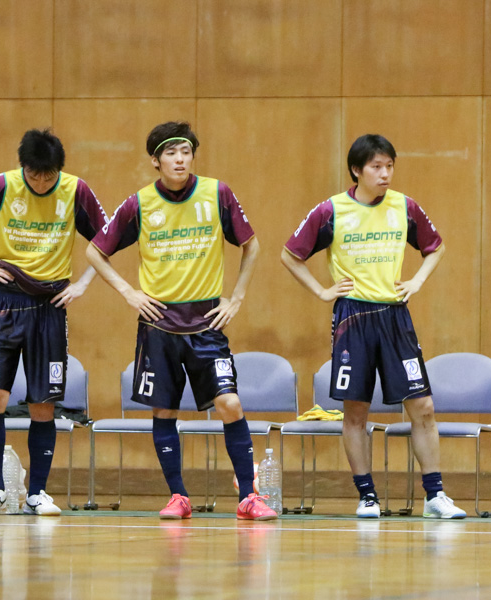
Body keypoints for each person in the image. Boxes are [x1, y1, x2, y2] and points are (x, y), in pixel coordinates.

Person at [86, 121, 274, 521]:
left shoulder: (217, 193)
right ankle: (178, 496)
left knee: (230, 403)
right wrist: (129, 293)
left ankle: (248, 496)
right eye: (170, 153)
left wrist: (236, 297)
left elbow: (252, 245)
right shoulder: (139, 203)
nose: (180, 159)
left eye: (186, 152)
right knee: (164, 412)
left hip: (207, 325)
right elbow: (94, 252)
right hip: (159, 325)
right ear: (155, 161)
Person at [280, 133, 466, 519]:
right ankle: (367, 496)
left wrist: (417, 281)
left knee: (423, 406)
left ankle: (435, 496)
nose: (385, 174)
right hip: (353, 318)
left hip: (395, 317)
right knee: (356, 411)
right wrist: (322, 291)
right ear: (356, 170)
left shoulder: (405, 207)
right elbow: (290, 255)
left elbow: (436, 247)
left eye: (390, 166)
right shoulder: (331, 211)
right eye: (376, 167)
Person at [0, 128, 107, 516]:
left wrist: (83, 283)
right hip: (4, 303)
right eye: (34, 176)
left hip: (50, 306)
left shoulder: (76, 190)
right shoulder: (1, 186)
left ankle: (37, 493)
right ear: (23, 168)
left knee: (43, 404)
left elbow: (107, 240)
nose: (41, 183)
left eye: (48, 177)